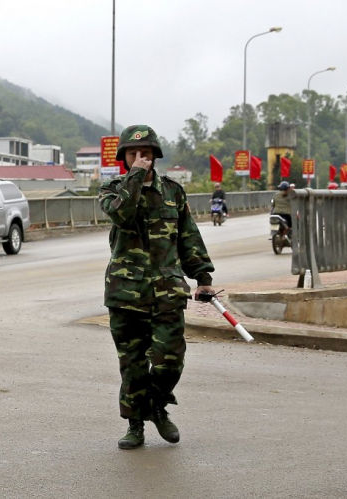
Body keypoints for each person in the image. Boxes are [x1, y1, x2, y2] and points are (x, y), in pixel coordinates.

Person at [98, 124, 216, 450]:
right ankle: (135, 424)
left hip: (167, 292)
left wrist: (203, 278)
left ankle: (157, 406)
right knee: (132, 365)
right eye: (134, 153)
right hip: (125, 293)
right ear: (124, 158)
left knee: (170, 361)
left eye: (146, 153)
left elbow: (189, 237)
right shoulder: (112, 190)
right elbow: (121, 215)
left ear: (156, 156)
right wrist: (134, 177)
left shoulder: (174, 193)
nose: (141, 158)